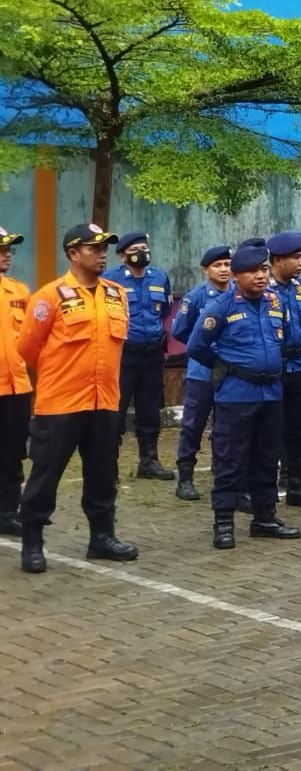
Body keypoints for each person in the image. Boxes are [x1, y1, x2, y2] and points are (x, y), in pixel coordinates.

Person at [16, 223, 140, 572]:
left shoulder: (117, 293)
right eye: (94, 248)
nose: (102, 254)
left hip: (104, 402)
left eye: (104, 248)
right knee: (46, 474)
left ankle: (102, 538)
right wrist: (63, 374)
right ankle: (33, 541)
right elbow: (28, 347)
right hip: (60, 404)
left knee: (103, 474)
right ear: (73, 253)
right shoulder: (49, 297)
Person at [185, 244, 301, 548]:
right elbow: (197, 345)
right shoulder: (222, 306)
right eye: (252, 271)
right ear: (236, 275)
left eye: (264, 269)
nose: (261, 276)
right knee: (230, 459)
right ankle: (223, 522)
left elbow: (292, 340)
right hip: (236, 394)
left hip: (271, 393)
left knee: (267, 458)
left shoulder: (276, 302)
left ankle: (264, 518)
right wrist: (224, 366)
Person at [107, 231, 175, 480]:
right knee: (116, 410)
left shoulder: (159, 277)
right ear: (123, 255)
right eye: (135, 249)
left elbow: (164, 310)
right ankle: (108, 463)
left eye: (145, 248)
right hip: (123, 355)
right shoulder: (110, 280)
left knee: (150, 410)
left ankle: (149, 461)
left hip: (152, 354)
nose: (142, 253)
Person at [170, 245, 233, 502]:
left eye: (227, 265)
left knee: (225, 426)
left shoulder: (238, 295)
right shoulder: (196, 296)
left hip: (230, 371)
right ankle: (185, 477)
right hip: (202, 371)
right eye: (217, 265)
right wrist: (203, 349)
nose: (224, 270)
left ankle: (223, 473)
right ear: (206, 270)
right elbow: (180, 331)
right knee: (193, 424)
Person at [265, 232, 301, 509]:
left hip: (300, 365)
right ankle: (264, 488)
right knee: (270, 430)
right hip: (274, 366)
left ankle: (298, 485)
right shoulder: (265, 290)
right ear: (277, 260)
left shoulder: (300, 288)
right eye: (296, 258)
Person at [0, 226, 32, 536]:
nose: (7, 253)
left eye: (9, 248)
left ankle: (9, 511)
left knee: (11, 452)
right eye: (1, 248)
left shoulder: (20, 292)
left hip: (17, 386)